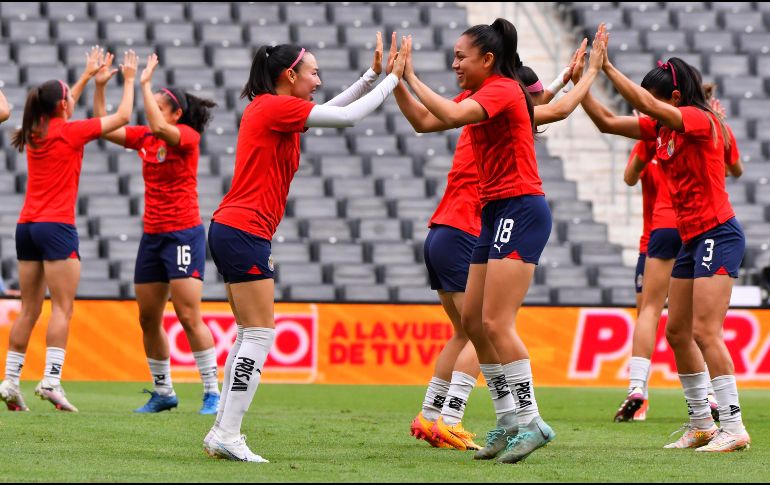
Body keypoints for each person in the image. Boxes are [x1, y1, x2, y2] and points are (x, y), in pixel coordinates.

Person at [395, 21, 605, 464]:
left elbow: (450, 117)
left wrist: (410, 76)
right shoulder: (488, 95)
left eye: (460, 56)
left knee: (495, 323)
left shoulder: (503, 89)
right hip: (492, 212)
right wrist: (396, 81)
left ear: (487, 60)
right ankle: (508, 421)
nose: (453, 64)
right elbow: (422, 121)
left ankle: (531, 422)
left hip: (520, 208)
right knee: (473, 322)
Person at [202, 33, 410, 463]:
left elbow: (335, 110)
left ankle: (222, 430)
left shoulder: (273, 107)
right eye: (312, 72)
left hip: (233, 228)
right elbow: (349, 118)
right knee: (259, 334)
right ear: (289, 74)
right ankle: (227, 432)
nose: (318, 80)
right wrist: (393, 79)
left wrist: (371, 75)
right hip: (244, 230)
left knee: (247, 334)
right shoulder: (275, 106)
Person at [577, 25, 750, 452]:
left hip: (718, 233)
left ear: (673, 99)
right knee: (677, 332)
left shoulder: (697, 118)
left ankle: (733, 426)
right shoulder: (661, 130)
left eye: (656, 103)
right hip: (692, 239)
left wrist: (607, 66)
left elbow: (641, 102)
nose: (649, 113)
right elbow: (605, 121)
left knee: (707, 331)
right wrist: (580, 80)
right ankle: (701, 425)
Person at [0, 47, 137, 412]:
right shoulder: (72, 131)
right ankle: (51, 380)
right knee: (63, 307)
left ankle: (11, 381)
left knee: (28, 309)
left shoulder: (34, 130)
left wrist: (87, 78)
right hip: (57, 226)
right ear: (62, 106)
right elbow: (123, 115)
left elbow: (64, 103)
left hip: (26, 226)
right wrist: (128, 80)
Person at [93, 53, 221, 415]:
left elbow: (162, 128)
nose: (153, 112)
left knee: (187, 313)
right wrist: (102, 87)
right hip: (152, 236)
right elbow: (104, 126)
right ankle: (164, 391)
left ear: (176, 114)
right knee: (148, 317)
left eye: (160, 106)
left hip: (183, 235)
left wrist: (142, 83)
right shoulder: (146, 137)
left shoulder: (185, 136)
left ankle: (212, 391)